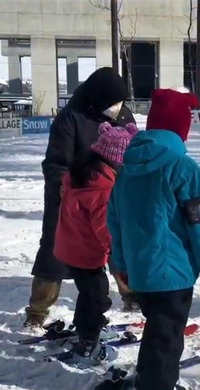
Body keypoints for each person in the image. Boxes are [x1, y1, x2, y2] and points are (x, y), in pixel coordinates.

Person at [107, 88, 200, 390]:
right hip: (173, 273)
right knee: (167, 334)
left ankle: (148, 378)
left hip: (140, 271)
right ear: (180, 129)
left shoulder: (127, 168)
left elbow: (113, 220)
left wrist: (120, 263)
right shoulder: (185, 169)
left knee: (157, 327)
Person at [25, 67, 138, 330]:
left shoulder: (122, 114)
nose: (117, 107)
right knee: (54, 250)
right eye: (112, 102)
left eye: (121, 102)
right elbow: (54, 164)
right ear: (98, 98)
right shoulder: (70, 118)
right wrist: (72, 187)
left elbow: (130, 151)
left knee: (117, 243)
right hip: (70, 198)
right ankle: (38, 309)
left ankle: (132, 293)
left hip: (112, 193)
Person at [53, 121, 139, 363]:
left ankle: (90, 327)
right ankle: (87, 345)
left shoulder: (81, 174)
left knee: (88, 293)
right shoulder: (103, 187)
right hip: (85, 251)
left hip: (70, 245)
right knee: (97, 296)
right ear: (117, 160)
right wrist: (118, 252)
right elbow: (105, 228)